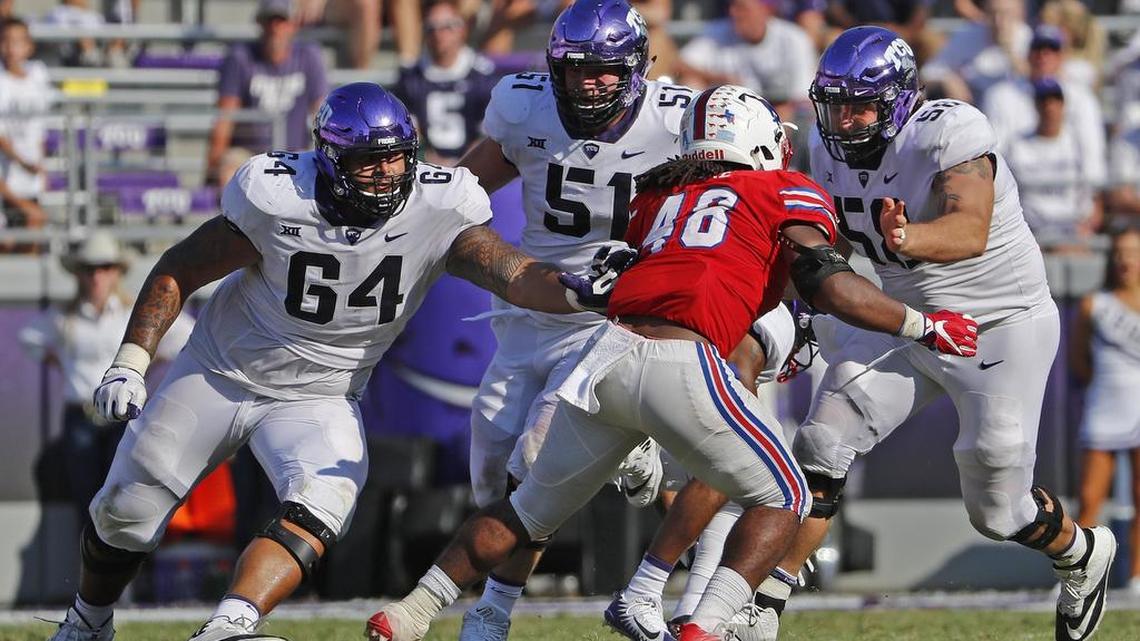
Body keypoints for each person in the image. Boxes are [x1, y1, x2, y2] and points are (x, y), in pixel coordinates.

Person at [365, 83, 977, 641]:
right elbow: (828, 283)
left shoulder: (659, 194)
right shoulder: (782, 188)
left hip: (604, 353)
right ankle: (705, 625)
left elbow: (699, 266)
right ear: (762, 142)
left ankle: (410, 611)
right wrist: (923, 324)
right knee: (786, 495)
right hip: (680, 357)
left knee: (526, 508)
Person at [43, 82, 602, 641]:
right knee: (128, 510)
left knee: (323, 502)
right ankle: (88, 621)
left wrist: (577, 290)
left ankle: (230, 624)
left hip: (323, 392)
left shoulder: (439, 205)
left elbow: (514, 273)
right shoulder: (279, 195)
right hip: (219, 374)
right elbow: (179, 268)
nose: (385, 173)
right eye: (368, 161)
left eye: (394, 157)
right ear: (331, 158)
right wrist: (131, 360)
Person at [749, 26, 1117, 641]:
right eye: (834, 104)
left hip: (996, 328)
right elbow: (838, 243)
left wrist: (907, 238)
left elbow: (968, 227)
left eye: (859, 105)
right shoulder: (826, 141)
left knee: (998, 511)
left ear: (897, 100)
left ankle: (1081, 552)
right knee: (821, 444)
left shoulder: (950, 130)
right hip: (906, 319)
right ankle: (762, 606)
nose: (844, 120)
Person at [444, 2, 698, 638]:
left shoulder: (678, 121)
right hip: (532, 309)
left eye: (607, 70)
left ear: (638, 68)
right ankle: (630, 457)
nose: (591, 82)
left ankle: (491, 611)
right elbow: (461, 193)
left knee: (536, 460)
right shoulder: (524, 108)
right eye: (578, 68)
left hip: (616, 314)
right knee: (492, 472)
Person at [18, 232, 193, 528]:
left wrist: (143, 367)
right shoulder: (63, 317)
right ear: (79, 274)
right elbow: (30, 340)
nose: (97, 276)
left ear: (117, 272)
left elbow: (183, 334)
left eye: (105, 267)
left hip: (123, 417)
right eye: (89, 269)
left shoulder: (131, 312)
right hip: (82, 416)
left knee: (127, 503)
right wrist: (63, 362)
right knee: (88, 503)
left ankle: (129, 572)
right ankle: (94, 571)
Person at [1070, 228, 1140, 595]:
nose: (1125, 260)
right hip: (1105, 407)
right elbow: (1078, 363)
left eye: (1133, 253)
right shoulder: (1093, 304)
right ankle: (1077, 579)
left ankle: (1136, 578)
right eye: (1120, 253)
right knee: (1089, 498)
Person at [205, 0, 329, 185]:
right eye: (269, 20)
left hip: (295, 154)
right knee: (229, 172)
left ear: (293, 24)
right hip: (249, 155)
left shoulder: (308, 57)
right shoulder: (240, 58)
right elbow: (225, 118)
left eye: (281, 20)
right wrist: (212, 169)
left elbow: (322, 114)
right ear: (260, 23)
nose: (275, 28)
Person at [393, 0, 501, 165]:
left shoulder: (482, 76)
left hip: (474, 169)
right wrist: (428, 159)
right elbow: (410, 133)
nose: (439, 34)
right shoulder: (410, 78)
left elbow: (489, 136)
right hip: (425, 167)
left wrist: (463, 164)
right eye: (431, 28)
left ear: (462, 30)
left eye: (447, 27)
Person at [1004, 77, 1100, 246]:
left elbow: (1096, 194)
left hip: (1073, 232)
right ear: (1035, 105)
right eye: (1043, 100)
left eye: (1055, 99)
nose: (1049, 106)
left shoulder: (1079, 143)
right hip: (1029, 234)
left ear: (1063, 104)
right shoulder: (1017, 145)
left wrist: (1086, 228)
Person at [675, 0, 816, 108]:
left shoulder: (794, 38)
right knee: (691, 82)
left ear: (764, 10)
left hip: (780, 115)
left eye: (741, 8)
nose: (733, 12)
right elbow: (680, 64)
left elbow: (801, 98)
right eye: (732, 6)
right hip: (728, 112)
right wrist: (718, 78)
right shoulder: (718, 31)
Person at [0, 17, 49, 234]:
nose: (11, 48)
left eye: (17, 41)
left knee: (33, 232)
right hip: (8, 176)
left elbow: (39, 130)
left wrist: (38, 166)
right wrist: (23, 163)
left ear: (29, 46)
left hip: (29, 175)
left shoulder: (38, 76)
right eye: (6, 41)